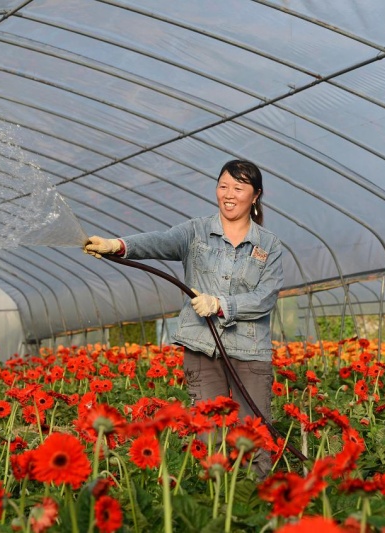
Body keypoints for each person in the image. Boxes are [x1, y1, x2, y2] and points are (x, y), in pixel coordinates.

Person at [83, 159, 283, 477]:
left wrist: (220, 304)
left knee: (255, 432)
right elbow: (160, 241)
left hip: (250, 351)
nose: (229, 194)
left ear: (255, 195)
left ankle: (256, 502)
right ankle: (215, 501)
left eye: (239, 188)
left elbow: (265, 298)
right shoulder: (196, 233)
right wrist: (116, 245)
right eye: (223, 186)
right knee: (207, 434)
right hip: (202, 348)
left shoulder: (268, 246)